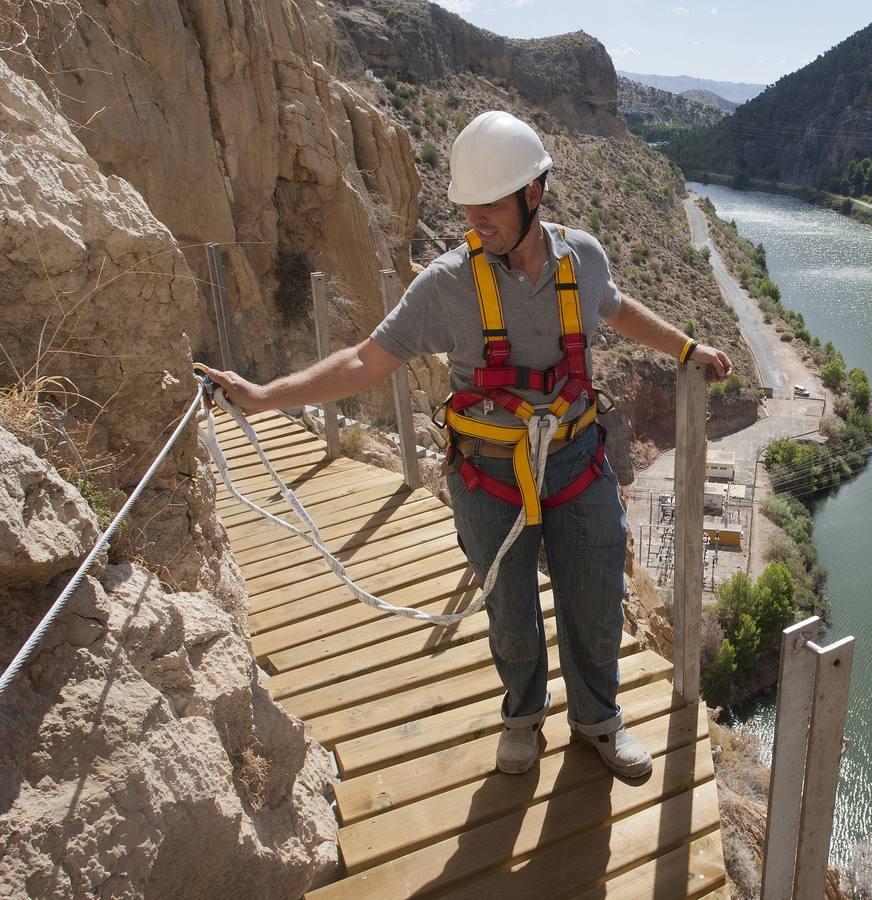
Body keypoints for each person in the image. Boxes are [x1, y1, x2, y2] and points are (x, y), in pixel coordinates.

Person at [206, 110, 732, 778]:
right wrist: (264, 395)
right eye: (470, 210)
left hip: (574, 461)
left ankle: (598, 723)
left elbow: (616, 307)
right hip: (488, 472)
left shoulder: (583, 259)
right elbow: (364, 362)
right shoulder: (446, 286)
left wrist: (687, 347)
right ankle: (522, 718)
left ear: (532, 194)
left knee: (596, 599)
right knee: (510, 607)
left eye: (491, 210)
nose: (477, 223)